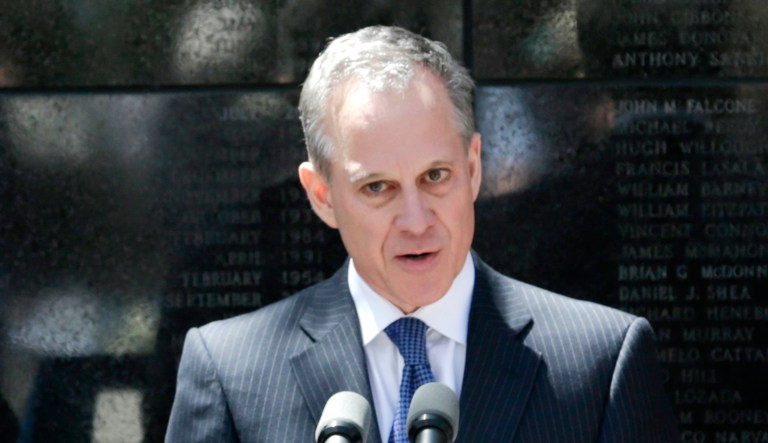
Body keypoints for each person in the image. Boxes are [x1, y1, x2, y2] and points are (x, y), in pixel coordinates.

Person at [165, 25, 678, 442]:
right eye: (378, 187)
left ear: (473, 167)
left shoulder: (601, 364)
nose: (416, 221)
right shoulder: (230, 372)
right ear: (322, 196)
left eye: (435, 177)